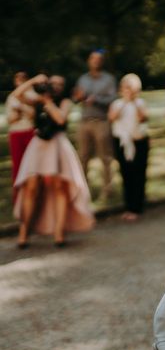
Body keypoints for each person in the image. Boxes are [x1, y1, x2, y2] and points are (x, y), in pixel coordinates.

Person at [11, 74, 95, 248]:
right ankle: (23, 234)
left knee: (59, 187)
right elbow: (17, 95)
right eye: (52, 83)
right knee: (30, 186)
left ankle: (59, 234)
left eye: (60, 84)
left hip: (57, 145)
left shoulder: (64, 102)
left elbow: (60, 119)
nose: (55, 86)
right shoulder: (36, 101)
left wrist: (47, 102)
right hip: (38, 145)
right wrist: (33, 81)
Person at [73, 50, 117, 199]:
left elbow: (113, 99)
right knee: (83, 157)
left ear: (102, 62)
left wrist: (96, 99)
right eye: (93, 58)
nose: (96, 61)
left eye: (99, 59)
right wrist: (78, 97)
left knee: (105, 158)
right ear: (89, 61)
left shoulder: (109, 79)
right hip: (84, 122)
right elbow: (76, 98)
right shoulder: (82, 79)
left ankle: (107, 190)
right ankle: (83, 191)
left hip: (101, 122)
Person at [109, 73, 149, 221]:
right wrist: (125, 102)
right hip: (122, 142)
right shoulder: (117, 104)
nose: (128, 91)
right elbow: (112, 117)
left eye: (131, 88)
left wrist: (133, 102)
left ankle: (137, 207)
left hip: (139, 142)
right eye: (126, 87)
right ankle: (128, 206)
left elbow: (143, 118)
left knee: (138, 173)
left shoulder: (140, 103)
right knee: (126, 174)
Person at [5, 71, 36, 203]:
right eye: (18, 79)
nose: (20, 81)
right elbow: (11, 119)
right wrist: (19, 113)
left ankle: (32, 196)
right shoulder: (11, 97)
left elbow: (32, 114)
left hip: (29, 132)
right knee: (17, 166)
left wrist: (21, 108)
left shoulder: (32, 95)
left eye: (23, 78)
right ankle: (18, 197)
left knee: (32, 166)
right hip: (16, 133)